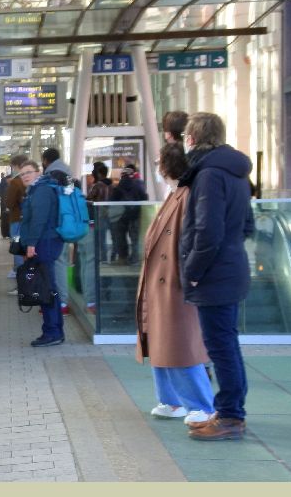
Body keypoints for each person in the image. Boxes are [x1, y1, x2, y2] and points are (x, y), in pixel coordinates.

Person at [179, 112, 255, 440]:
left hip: (214, 274)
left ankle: (230, 418)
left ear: (192, 138)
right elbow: (247, 224)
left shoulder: (208, 174)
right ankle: (228, 411)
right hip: (233, 267)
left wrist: (193, 271)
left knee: (221, 346)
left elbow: (207, 229)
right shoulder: (236, 172)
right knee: (227, 344)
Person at [136, 143, 215, 426]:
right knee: (161, 343)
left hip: (174, 283)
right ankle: (171, 400)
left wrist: (191, 274)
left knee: (180, 345)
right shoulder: (176, 195)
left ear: (165, 166)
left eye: (158, 163)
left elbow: (196, 238)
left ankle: (201, 406)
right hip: (163, 283)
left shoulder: (185, 196)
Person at [17, 160, 65, 347]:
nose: (25, 176)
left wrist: (31, 244)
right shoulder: (37, 190)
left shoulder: (42, 191)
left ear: (38, 172)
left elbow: (39, 220)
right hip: (44, 242)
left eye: (29, 172)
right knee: (47, 287)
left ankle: (52, 332)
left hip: (44, 243)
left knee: (46, 288)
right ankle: (54, 330)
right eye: (22, 174)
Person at [41, 148, 73, 315]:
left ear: (45, 160)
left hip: (57, 224)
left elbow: (50, 201)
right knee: (60, 260)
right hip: (65, 222)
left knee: (57, 262)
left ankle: (61, 302)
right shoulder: (66, 170)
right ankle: (59, 300)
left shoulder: (54, 173)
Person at [83, 161, 113, 311]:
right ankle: (105, 291)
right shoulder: (111, 186)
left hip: (95, 224)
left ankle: (94, 296)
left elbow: (88, 203)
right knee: (102, 257)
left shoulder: (97, 186)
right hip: (106, 223)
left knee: (93, 259)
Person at [109, 163, 148, 265]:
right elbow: (144, 198)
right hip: (135, 214)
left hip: (122, 215)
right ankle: (136, 259)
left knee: (121, 237)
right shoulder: (139, 184)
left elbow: (112, 200)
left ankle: (123, 258)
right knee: (135, 238)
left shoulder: (119, 186)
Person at [3, 154, 28, 281]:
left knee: (18, 249)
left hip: (17, 220)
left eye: (13, 167)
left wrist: (10, 187)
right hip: (28, 220)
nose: (12, 169)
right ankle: (26, 277)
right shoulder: (31, 179)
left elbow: (9, 203)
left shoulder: (16, 182)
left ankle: (21, 279)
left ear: (18, 166)